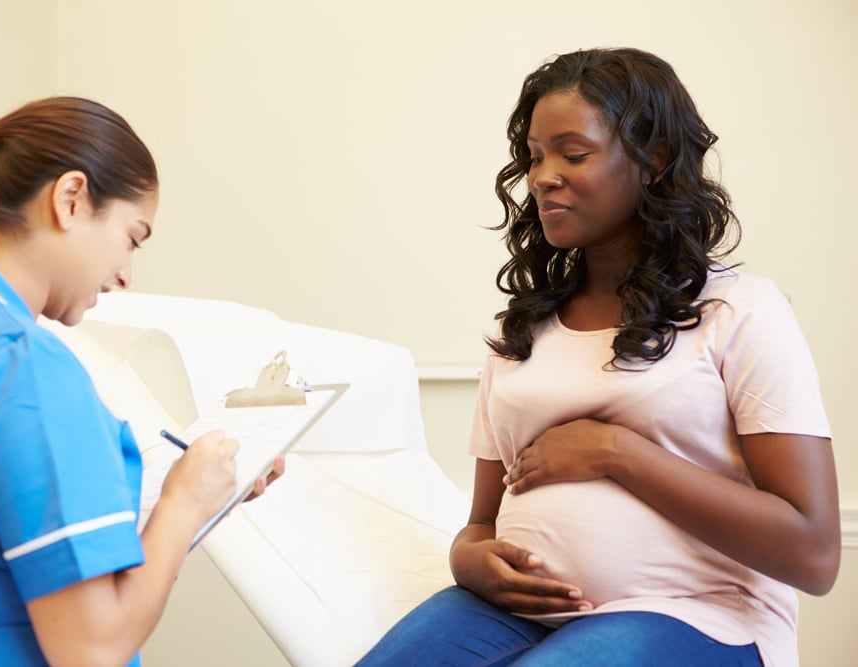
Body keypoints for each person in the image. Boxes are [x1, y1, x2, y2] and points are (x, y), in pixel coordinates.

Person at [356, 48, 839, 667]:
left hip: (699, 612)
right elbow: (482, 521)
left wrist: (616, 452)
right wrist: (468, 556)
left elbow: (814, 553)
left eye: (573, 153)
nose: (542, 176)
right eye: (534, 156)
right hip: (512, 612)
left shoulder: (740, 311)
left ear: (654, 162)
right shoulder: (524, 329)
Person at [0, 96, 283, 667]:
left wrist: (195, 492)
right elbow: (93, 649)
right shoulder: (24, 372)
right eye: (132, 238)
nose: (127, 274)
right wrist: (182, 505)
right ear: (71, 199)